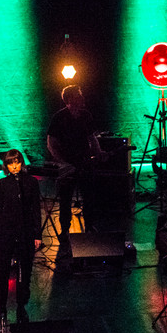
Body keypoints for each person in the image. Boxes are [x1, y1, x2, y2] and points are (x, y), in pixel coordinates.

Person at [0, 149, 42, 326]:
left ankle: (21, 306)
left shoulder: (31, 183)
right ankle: (2, 307)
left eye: (17, 162)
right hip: (6, 232)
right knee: (1, 271)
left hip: (25, 232)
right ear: (6, 165)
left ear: (21, 163)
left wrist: (37, 234)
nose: (14, 166)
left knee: (24, 272)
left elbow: (36, 210)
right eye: (11, 163)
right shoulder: (2, 184)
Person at [46, 85, 104, 233]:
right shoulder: (59, 117)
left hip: (84, 162)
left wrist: (98, 152)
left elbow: (92, 137)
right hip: (68, 165)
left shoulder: (86, 115)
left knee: (89, 197)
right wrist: (62, 163)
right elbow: (51, 142)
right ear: (70, 98)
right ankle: (65, 229)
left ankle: (89, 226)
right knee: (65, 199)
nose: (82, 98)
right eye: (79, 95)